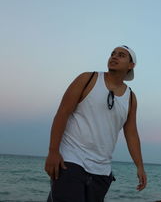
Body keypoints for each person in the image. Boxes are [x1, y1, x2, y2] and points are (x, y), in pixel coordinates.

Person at [44, 45, 147, 202]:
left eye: (121, 55)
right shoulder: (88, 79)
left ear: (131, 65)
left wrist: (139, 165)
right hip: (70, 161)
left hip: (101, 171)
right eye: (112, 54)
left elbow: (131, 133)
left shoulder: (131, 98)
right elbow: (62, 113)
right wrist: (53, 151)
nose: (114, 57)